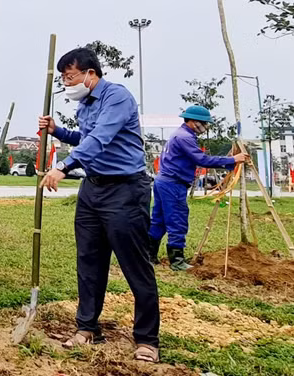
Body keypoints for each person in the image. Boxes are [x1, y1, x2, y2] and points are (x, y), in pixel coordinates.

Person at [39, 47, 160, 364]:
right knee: (89, 262)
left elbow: (101, 138)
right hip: (92, 190)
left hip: (126, 191)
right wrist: (58, 132)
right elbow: (85, 137)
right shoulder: (84, 104)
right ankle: (87, 327)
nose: (68, 83)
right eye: (64, 78)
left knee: (135, 265)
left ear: (90, 74)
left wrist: (62, 166)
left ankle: (147, 339)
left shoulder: (117, 97)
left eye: (71, 76)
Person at [149, 105, 247, 270]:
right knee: (177, 220)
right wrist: (233, 160)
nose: (206, 127)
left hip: (164, 182)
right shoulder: (184, 137)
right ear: (194, 122)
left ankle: (148, 256)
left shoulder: (179, 135)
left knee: (159, 220)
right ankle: (177, 261)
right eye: (204, 123)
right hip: (173, 184)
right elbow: (203, 160)